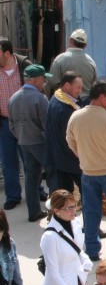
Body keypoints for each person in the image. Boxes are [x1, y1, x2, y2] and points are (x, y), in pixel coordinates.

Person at [66, 81, 106, 261]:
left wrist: (84, 157)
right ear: (101, 97)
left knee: (90, 212)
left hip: (88, 172)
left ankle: (92, 250)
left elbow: (70, 141)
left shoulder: (76, 116)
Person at [8, 64, 50, 222]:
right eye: (44, 79)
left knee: (31, 177)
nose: (45, 82)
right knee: (52, 175)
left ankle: (34, 212)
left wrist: (20, 137)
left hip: (23, 142)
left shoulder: (14, 97)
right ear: (37, 80)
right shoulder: (40, 98)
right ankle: (57, 212)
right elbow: (47, 125)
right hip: (39, 142)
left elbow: (11, 125)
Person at [0, 37, 32, 210]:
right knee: (8, 161)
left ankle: (35, 190)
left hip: (24, 123)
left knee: (29, 159)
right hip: (4, 123)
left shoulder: (24, 65)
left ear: (7, 53)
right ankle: (13, 196)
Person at [45, 71, 84, 195]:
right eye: (78, 87)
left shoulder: (55, 98)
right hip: (69, 160)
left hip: (57, 157)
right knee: (87, 192)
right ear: (67, 85)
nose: (80, 91)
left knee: (61, 197)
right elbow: (73, 138)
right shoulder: (65, 109)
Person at [48, 29, 97, 101]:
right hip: (85, 103)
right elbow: (94, 84)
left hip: (65, 102)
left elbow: (52, 82)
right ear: (85, 45)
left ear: (70, 40)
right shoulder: (91, 61)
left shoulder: (60, 59)